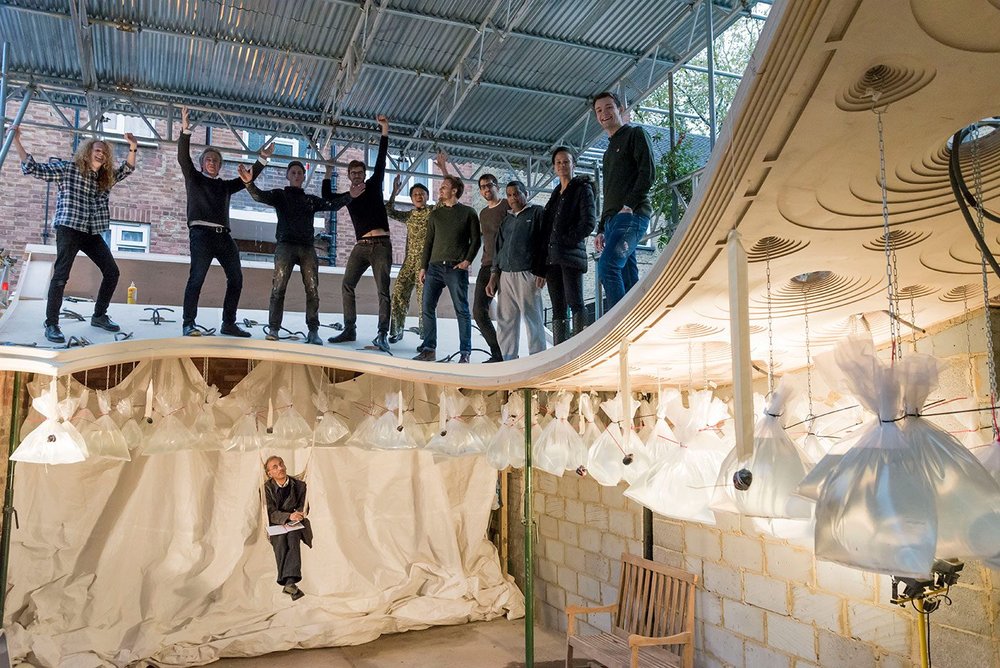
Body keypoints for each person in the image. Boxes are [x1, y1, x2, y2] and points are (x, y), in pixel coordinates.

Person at [13, 126, 139, 343]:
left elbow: (126, 169)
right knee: (61, 275)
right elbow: (34, 168)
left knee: (112, 271)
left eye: (104, 152)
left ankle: (99, 315)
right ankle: (52, 323)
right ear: (88, 152)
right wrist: (16, 141)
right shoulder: (68, 168)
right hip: (69, 227)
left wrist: (133, 147)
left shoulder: (105, 178)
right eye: (97, 150)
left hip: (91, 230)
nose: (101, 153)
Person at [239, 160, 364, 345]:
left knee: (312, 289)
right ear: (288, 176)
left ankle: (313, 331)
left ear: (304, 177)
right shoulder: (280, 195)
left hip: (306, 247)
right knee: (278, 288)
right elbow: (259, 196)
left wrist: (350, 196)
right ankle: (274, 328)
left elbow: (332, 204)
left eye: (300, 173)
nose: (297, 175)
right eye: (294, 173)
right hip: (285, 245)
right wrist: (249, 184)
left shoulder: (310, 200)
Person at [178, 106, 271, 337]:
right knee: (197, 277)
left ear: (220, 166)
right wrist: (185, 131)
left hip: (223, 236)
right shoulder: (194, 178)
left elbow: (247, 178)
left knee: (236, 278)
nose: (212, 162)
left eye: (216, 160)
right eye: (208, 159)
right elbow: (183, 157)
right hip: (201, 234)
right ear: (202, 164)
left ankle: (228, 323)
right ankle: (188, 323)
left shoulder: (225, 186)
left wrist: (262, 159)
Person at [324, 115, 393, 353]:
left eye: (359, 172)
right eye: (352, 172)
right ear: (348, 175)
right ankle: (349, 328)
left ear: (364, 174)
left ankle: (382, 334)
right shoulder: (348, 197)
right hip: (361, 247)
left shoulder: (373, 185)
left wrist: (384, 130)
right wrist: (327, 171)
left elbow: (382, 160)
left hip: (381, 244)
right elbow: (328, 201)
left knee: (382, 290)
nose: (356, 175)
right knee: (347, 284)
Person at [592, 91, 655, 311]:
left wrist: (628, 205)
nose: (604, 114)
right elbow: (609, 192)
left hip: (631, 215)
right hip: (613, 221)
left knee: (608, 267)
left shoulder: (635, 134)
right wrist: (601, 228)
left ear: (620, 109)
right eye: (599, 111)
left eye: (609, 107)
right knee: (628, 279)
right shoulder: (608, 151)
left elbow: (648, 173)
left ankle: (617, 329)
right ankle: (635, 325)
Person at [413, 175, 480, 363]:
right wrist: (422, 267)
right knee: (426, 307)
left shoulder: (468, 212)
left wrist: (467, 261)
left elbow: (476, 240)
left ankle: (465, 352)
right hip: (434, 268)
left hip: (455, 268)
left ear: (455, 191)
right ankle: (429, 349)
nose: (440, 190)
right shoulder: (435, 215)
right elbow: (428, 242)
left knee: (461, 309)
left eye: (444, 187)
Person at [384, 150, 446, 343]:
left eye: (421, 193)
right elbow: (388, 211)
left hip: (425, 265)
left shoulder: (433, 212)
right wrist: (394, 191)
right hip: (408, 264)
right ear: (411, 198)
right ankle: (396, 331)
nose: (418, 196)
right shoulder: (409, 215)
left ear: (427, 196)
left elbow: (447, 192)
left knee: (423, 302)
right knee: (399, 294)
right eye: (415, 194)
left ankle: (424, 334)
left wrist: (443, 168)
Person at [486, 181, 547, 360]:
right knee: (505, 320)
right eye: (509, 195)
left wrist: (542, 270)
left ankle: (537, 359)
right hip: (505, 275)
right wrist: (493, 276)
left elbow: (545, 243)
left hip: (527, 273)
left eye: (516, 193)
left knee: (532, 318)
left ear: (525, 193)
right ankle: (508, 360)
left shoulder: (537, 213)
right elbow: (498, 249)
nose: (513, 198)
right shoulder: (507, 219)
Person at [542, 147, 596, 343]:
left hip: (570, 256)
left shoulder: (583, 189)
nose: (562, 165)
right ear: (554, 167)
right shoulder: (556, 194)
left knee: (575, 302)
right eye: (558, 162)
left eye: (566, 161)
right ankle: (559, 350)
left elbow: (589, 222)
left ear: (574, 164)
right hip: (552, 258)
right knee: (557, 306)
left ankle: (580, 346)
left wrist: (566, 240)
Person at [263, 455, 312, 601]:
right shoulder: (266, 488)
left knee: (293, 537)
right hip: (276, 525)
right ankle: (290, 582)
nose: (281, 468)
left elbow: (304, 506)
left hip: (295, 524)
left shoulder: (300, 485)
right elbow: (269, 513)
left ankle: (289, 583)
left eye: (281, 464)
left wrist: (298, 515)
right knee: (280, 542)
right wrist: (288, 516)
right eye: (275, 467)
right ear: (269, 473)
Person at [471, 172, 509, 362]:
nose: (487, 188)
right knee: (478, 311)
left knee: (506, 314)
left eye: (490, 185)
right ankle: (497, 353)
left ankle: (510, 353)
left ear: (497, 187)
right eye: (483, 186)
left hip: (506, 265)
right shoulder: (483, 213)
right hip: (486, 265)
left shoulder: (507, 205)